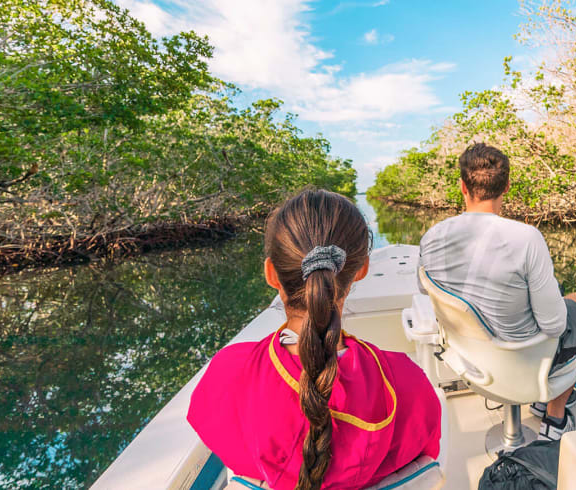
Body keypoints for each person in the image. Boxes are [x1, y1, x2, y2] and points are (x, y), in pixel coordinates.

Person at [189, 189, 441, 489]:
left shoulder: (230, 374)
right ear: (361, 270)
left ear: (271, 274)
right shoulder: (404, 381)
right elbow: (425, 453)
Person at [418, 143, 576, 441]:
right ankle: (554, 415)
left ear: (462, 186)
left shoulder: (432, 237)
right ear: (507, 186)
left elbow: (424, 295)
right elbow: (553, 325)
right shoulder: (527, 238)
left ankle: (548, 402)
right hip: (523, 365)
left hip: (470, 363)